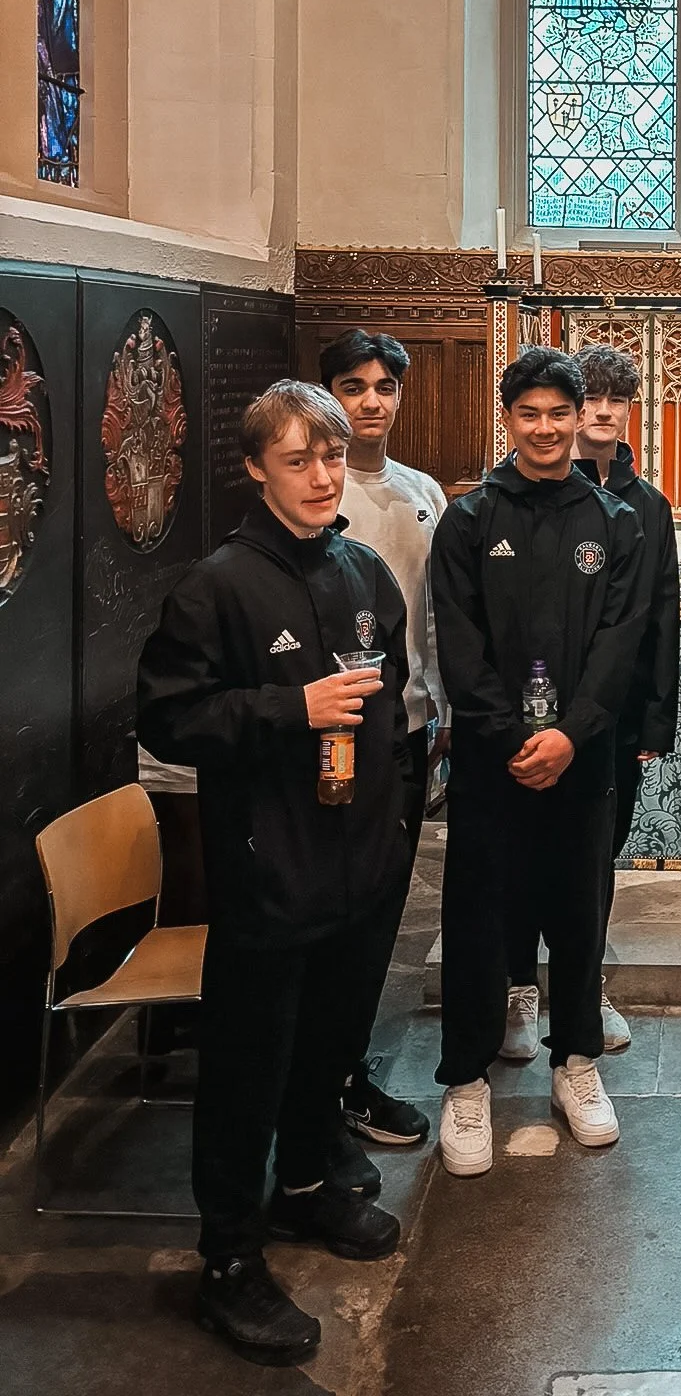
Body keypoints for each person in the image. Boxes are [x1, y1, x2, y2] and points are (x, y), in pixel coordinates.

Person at [137, 381, 411, 1369]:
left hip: (358, 863)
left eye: (331, 456)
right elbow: (170, 719)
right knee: (248, 1066)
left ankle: (304, 1185)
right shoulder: (215, 586)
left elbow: (390, 703)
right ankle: (227, 1258)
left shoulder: (363, 568)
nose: (323, 475)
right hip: (269, 865)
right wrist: (291, 709)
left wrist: (391, 831)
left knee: (327, 1047)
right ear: (256, 467)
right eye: (299, 459)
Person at [431, 347, 645, 1170]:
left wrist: (572, 733)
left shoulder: (614, 522)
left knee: (580, 913)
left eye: (560, 412)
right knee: (478, 917)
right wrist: (511, 736)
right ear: (508, 418)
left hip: (581, 760)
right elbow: (459, 643)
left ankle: (577, 1062)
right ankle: (466, 1080)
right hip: (493, 761)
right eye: (531, 413)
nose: (547, 428)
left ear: (579, 416)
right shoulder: (469, 520)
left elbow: (619, 644)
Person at [503, 344, 679, 1062]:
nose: (604, 412)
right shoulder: (524, 494)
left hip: (613, 719)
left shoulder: (647, 505)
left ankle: (583, 986)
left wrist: (656, 717)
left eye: (617, 399)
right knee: (523, 857)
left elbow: (660, 615)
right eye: (594, 398)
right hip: (533, 714)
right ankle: (518, 986)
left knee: (593, 861)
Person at [321, 327, 450, 1148]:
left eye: (384, 387)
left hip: (406, 727)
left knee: (380, 911)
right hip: (331, 732)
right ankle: (324, 1079)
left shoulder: (422, 492)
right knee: (334, 911)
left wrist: (438, 708)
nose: (371, 402)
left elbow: (434, 614)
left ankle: (347, 1069)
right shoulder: (315, 489)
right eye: (353, 386)